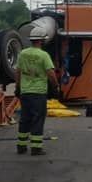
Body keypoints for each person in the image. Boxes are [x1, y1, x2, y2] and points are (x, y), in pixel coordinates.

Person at [14, 26, 59, 156]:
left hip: (25, 92)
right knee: (38, 119)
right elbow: (50, 73)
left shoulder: (23, 53)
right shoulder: (43, 55)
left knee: (25, 118)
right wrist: (55, 87)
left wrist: (18, 88)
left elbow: (18, 72)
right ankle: (36, 147)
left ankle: (21, 146)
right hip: (38, 93)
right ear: (41, 41)